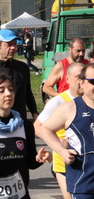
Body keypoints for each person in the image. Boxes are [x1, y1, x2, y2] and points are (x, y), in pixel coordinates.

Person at [40, 63, 94, 198]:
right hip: (84, 182)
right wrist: (61, 150)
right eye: (93, 82)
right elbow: (44, 128)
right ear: (81, 83)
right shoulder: (69, 108)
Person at [0, 29, 39, 120]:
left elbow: (28, 94)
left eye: (14, 44)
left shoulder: (23, 68)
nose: (14, 48)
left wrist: (34, 113)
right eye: (9, 45)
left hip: (19, 121)